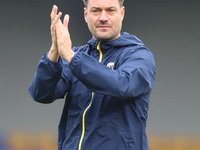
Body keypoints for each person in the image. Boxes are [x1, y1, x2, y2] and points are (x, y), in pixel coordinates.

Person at [28, 0, 156, 149]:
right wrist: (54, 50)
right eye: (96, 10)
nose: (103, 17)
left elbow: (123, 85)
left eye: (110, 10)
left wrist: (71, 56)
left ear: (121, 13)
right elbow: (41, 94)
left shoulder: (139, 55)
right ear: (85, 14)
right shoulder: (77, 56)